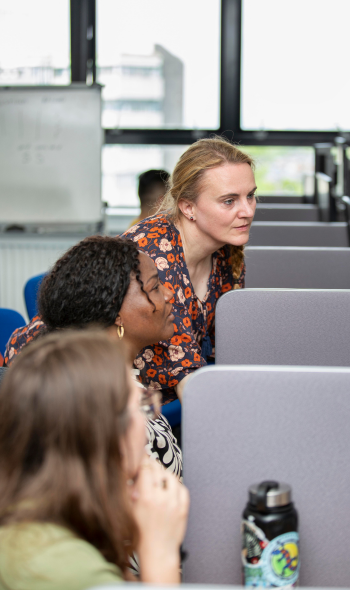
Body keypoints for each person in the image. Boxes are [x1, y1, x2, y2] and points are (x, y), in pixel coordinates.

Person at [0, 330, 189, 589]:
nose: (148, 424)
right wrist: (160, 553)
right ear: (107, 435)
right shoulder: (63, 570)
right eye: (141, 408)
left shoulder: (54, 509)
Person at [4, 236, 182, 476]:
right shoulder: (114, 410)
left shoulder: (106, 380)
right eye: (154, 287)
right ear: (116, 314)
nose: (169, 295)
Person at [122, 137, 257, 404]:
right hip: (71, 391)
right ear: (188, 207)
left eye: (250, 195)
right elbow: (189, 378)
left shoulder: (228, 252)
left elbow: (226, 350)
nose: (247, 211)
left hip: (156, 400)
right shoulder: (154, 254)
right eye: (229, 201)